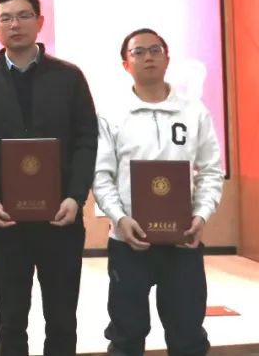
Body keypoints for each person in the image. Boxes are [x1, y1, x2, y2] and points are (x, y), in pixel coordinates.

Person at [0, 0, 98, 356]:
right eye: (5, 18)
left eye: (24, 16)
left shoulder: (69, 77)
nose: (15, 24)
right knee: (10, 317)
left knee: (62, 317)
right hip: (7, 220)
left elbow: (86, 139)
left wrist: (75, 197)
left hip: (61, 217)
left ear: (39, 22)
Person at [93, 28, 224, 356]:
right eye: (138, 52)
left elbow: (211, 171)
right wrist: (120, 219)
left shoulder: (195, 111)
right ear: (126, 64)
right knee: (126, 334)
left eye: (155, 50)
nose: (148, 57)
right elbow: (101, 175)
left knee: (188, 334)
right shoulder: (110, 113)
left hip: (183, 241)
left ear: (167, 59)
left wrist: (201, 216)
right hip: (128, 241)